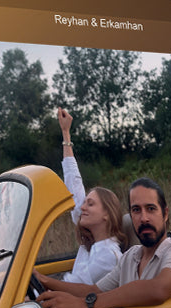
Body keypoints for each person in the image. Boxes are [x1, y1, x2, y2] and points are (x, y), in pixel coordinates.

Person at [40, 176, 171, 308]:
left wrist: (84, 304)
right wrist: (44, 280)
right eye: (136, 210)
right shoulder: (130, 257)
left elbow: (158, 289)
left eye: (151, 209)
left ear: (165, 213)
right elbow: (94, 290)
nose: (144, 218)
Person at [43, 107, 124, 286]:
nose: (82, 207)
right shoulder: (92, 244)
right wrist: (66, 134)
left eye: (91, 204)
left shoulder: (108, 256)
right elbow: (74, 186)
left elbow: (72, 286)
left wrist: (37, 280)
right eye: (85, 203)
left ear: (107, 215)